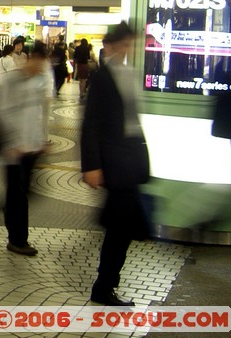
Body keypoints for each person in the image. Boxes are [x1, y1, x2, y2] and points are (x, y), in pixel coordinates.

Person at [81, 22, 150, 307]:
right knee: (121, 228)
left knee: (122, 225)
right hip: (115, 162)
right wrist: (91, 165)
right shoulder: (102, 77)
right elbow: (91, 125)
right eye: (123, 44)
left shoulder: (131, 73)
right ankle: (104, 287)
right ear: (110, 45)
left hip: (131, 159)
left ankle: (106, 284)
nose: (127, 49)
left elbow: (133, 120)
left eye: (130, 44)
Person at [0, 42, 52, 257]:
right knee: (19, 197)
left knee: (24, 192)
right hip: (13, 151)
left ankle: (8, 211)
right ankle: (18, 241)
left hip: (31, 148)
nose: (41, 69)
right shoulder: (12, 81)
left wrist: (42, 140)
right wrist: (14, 143)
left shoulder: (38, 82)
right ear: (31, 58)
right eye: (39, 64)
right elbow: (0, 112)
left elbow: (39, 113)